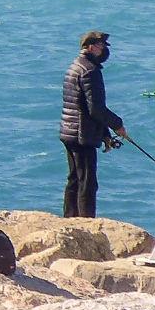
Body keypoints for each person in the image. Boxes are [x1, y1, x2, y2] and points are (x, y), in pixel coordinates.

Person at [60, 29, 127, 219]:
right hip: (82, 134)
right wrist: (117, 125)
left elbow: (85, 106)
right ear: (90, 47)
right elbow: (96, 109)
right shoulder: (90, 71)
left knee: (75, 178)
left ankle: (70, 217)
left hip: (69, 130)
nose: (104, 50)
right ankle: (85, 221)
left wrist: (105, 134)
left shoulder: (75, 66)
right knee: (87, 182)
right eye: (101, 46)